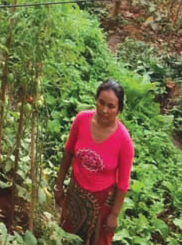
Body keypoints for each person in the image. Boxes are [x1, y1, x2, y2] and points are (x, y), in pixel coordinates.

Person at [54, 80, 134, 245]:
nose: (104, 110)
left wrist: (114, 215)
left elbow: (123, 183)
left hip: (102, 203)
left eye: (111, 106)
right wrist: (59, 185)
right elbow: (68, 152)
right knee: (66, 236)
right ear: (96, 100)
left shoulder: (124, 140)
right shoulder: (81, 120)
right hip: (75, 193)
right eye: (101, 102)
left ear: (119, 109)